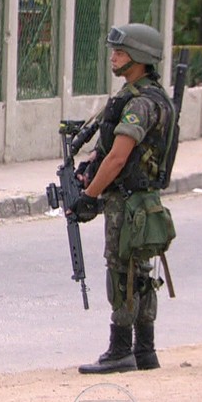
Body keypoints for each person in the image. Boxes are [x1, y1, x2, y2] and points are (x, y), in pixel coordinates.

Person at [67, 23, 175, 374]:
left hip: (127, 203)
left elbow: (118, 157)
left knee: (122, 271)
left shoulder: (140, 104)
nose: (113, 57)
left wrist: (88, 195)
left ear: (140, 58)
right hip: (144, 202)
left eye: (120, 52)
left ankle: (119, 350)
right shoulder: (146, 96)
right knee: (141, 273)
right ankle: (145, 350)